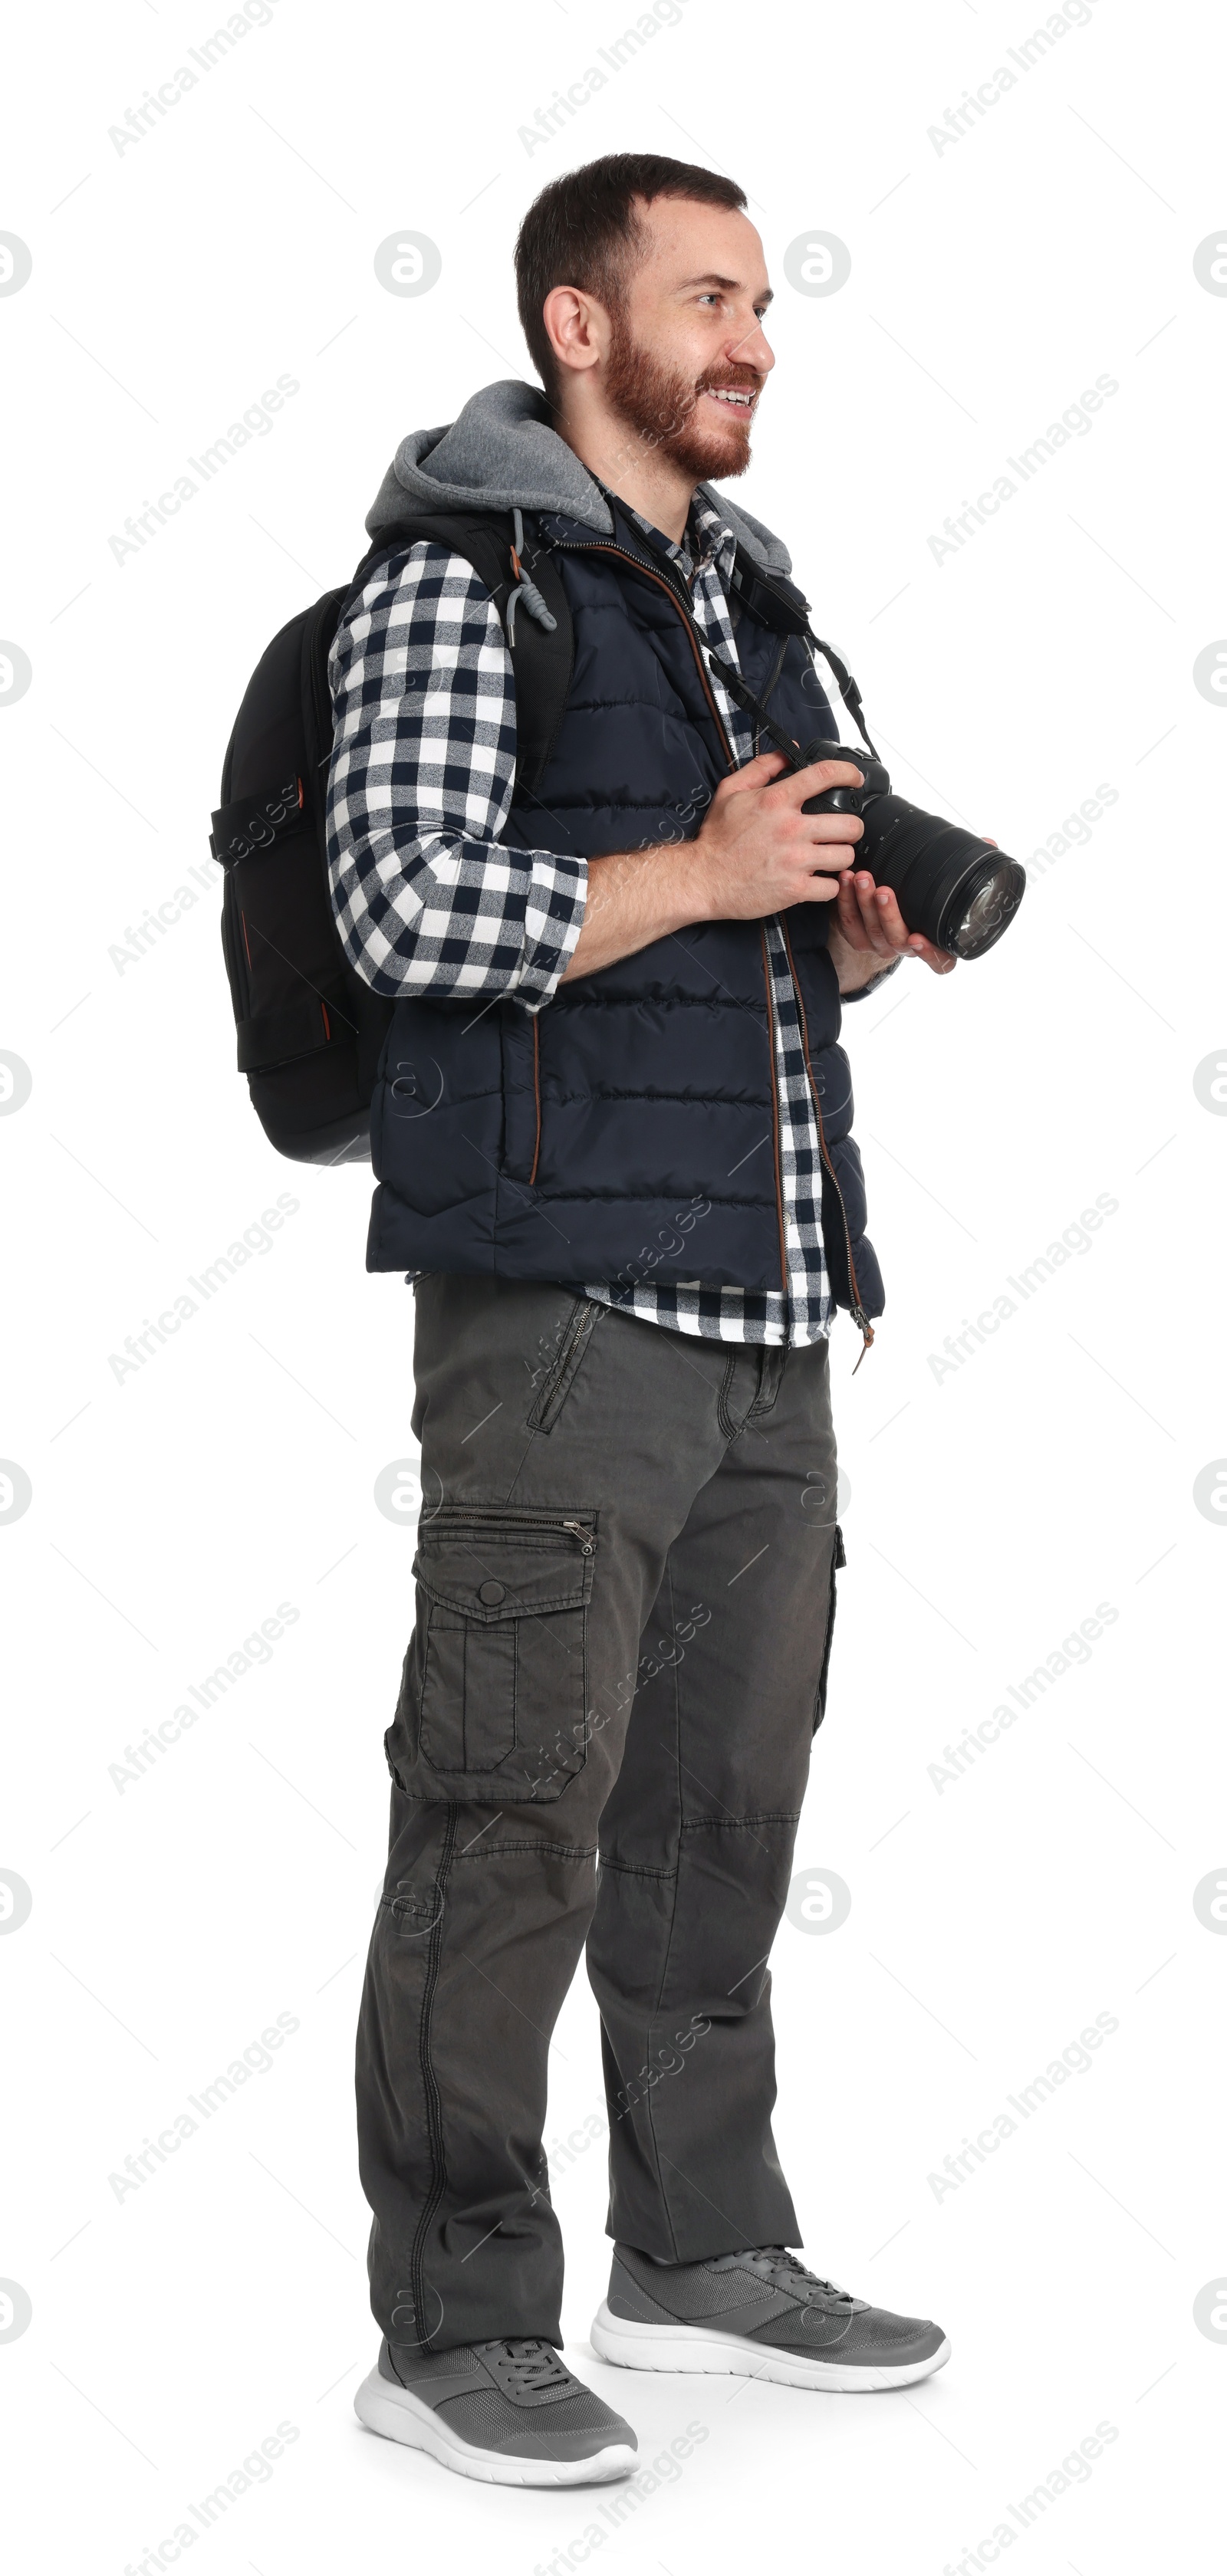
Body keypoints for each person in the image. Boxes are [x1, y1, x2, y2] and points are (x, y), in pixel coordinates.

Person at [328, 153, 956, 2489]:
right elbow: (401, 906)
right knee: (510, 1822)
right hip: (564, 1320)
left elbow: (708, 957)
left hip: (776, 1311)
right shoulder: (455, 578)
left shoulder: (751, 597)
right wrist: (699, 870)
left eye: (765, 301)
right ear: (581, 327)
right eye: (708, 299)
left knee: (714, 1820)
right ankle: (453, 2318)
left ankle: (699, 2246)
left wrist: (837, 940)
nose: (754, 338)